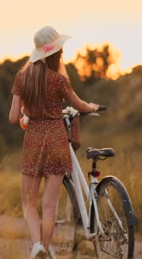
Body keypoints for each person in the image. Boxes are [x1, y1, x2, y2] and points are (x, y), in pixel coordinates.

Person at [8, 26, 99, 259]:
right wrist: (92, 107)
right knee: (50, 206)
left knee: (29, 203)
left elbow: (12, 117)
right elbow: (79, 104)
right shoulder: (59, 79)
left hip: (34, 141)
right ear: (57, 52)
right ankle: (46, 251)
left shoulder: (22, 78)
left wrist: (26, 116)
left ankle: (38, 245)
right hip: (57, 140)